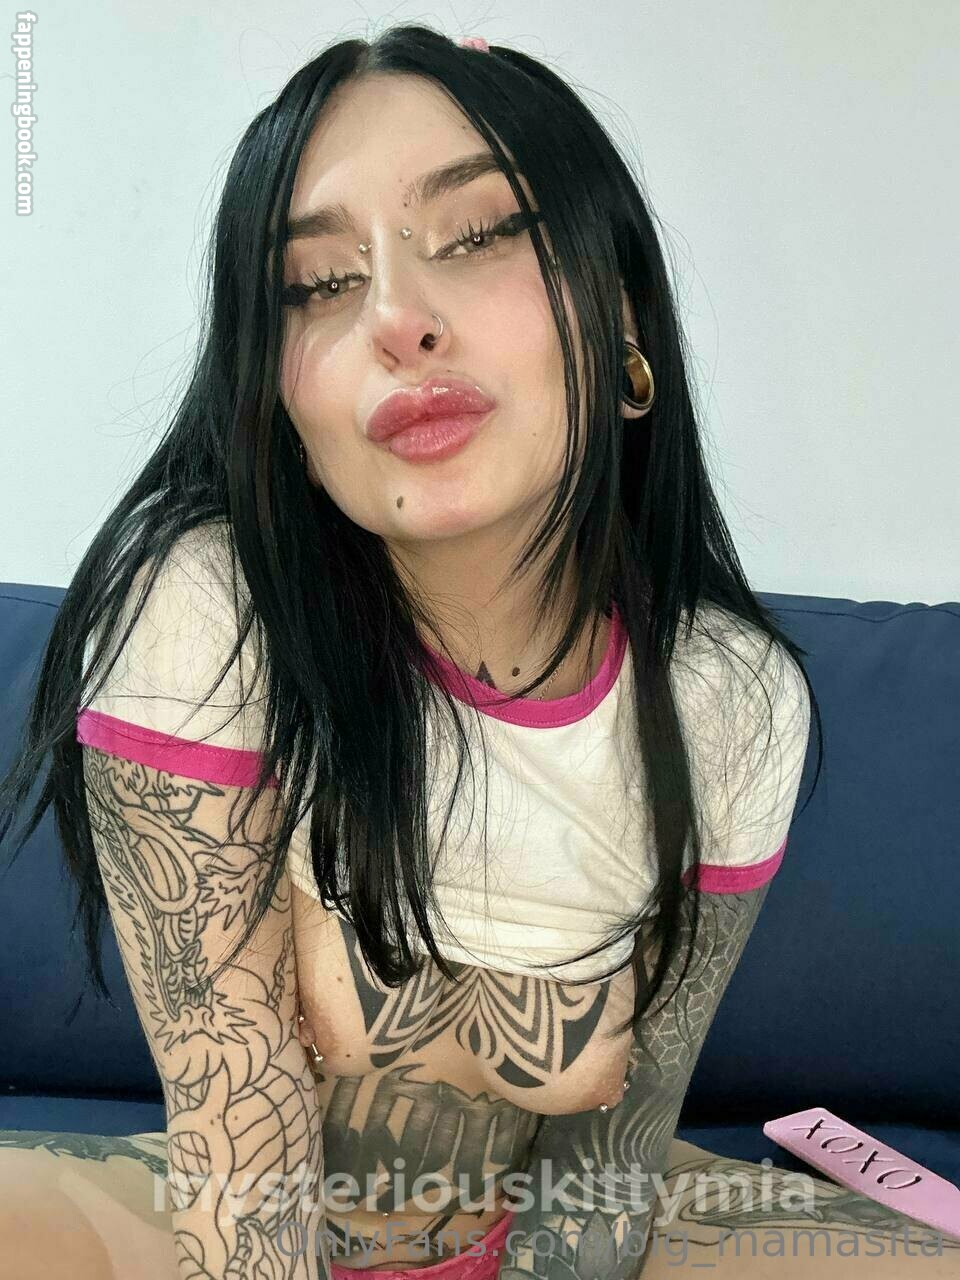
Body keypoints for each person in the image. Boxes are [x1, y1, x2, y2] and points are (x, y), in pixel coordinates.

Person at [2, 22, 953, 1280]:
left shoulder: (728, 698)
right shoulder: (203, 605)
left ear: (621, 314)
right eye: (318, 284)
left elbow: (610, 1163)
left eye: (480, 232)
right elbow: (239, 1143)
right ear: (277, 397)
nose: (398, 318)